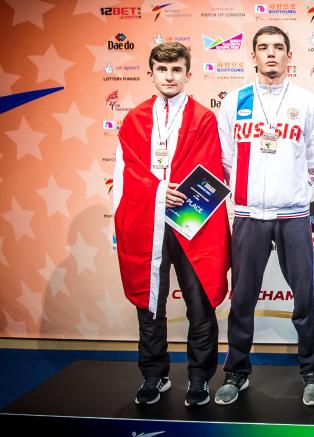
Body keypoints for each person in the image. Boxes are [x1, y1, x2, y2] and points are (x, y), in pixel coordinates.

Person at [215, 26, 314, 407]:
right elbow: (226, 158)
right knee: (243, 297)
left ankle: (312, 372)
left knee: (304, 301)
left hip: (295, 215)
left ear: (289, 55)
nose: (271, 54)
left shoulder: (307, 102)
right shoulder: (233, 101)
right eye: (263, 48)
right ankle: (236, 372)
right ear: (253, 56)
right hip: (248, 215)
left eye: (279, 47)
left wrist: (291, 189)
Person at [113, 42, 231, 407]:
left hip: (193, 222)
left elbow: (213, 167)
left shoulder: (203, 118)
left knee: (199, 304)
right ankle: (154, 375)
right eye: (162, 70)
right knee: (150, 303)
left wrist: (180, 193)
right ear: (151, 74)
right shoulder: (134, 119)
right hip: (148, 220)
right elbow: (128, 170)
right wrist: (162, 190)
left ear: (188, 74)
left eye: (176, 70)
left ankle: (199, 378)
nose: (169, 76)